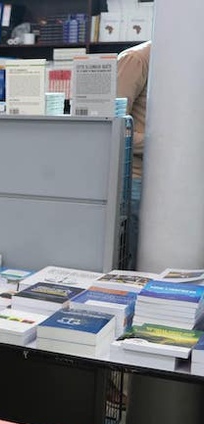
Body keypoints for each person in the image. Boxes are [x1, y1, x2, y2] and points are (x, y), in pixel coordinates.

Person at [116, 40, 151, 270]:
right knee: (134, 263)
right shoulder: (137, 59)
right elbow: (114, 124)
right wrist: (167, 145)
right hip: (137, 179)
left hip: (177, 183)